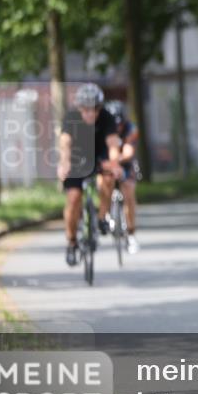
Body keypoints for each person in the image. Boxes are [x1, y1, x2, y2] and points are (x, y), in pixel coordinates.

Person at [56, 83, 124, 266]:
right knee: (73, 198)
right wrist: (65, 163)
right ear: (79, 108)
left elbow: (112, 144)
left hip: (99, 156)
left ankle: (102, 217)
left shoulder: (107, 118)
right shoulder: (71, 118)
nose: (90, 114)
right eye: (86, 110)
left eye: (94, 109)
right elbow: (65, 142)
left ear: (99, 108)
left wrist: (115, 163)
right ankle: (71, 242)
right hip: (77, 158)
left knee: (109, 178)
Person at [105, 101, 141, 254]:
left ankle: (131, 233)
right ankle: (105, 215)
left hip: (124, 163)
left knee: (129, 191)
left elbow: (128, 152)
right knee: (104, 183)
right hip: (107, 163)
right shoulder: (101, 128)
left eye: (119, 124)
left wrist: (115, 160)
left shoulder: (130, 129)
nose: (117, 128)